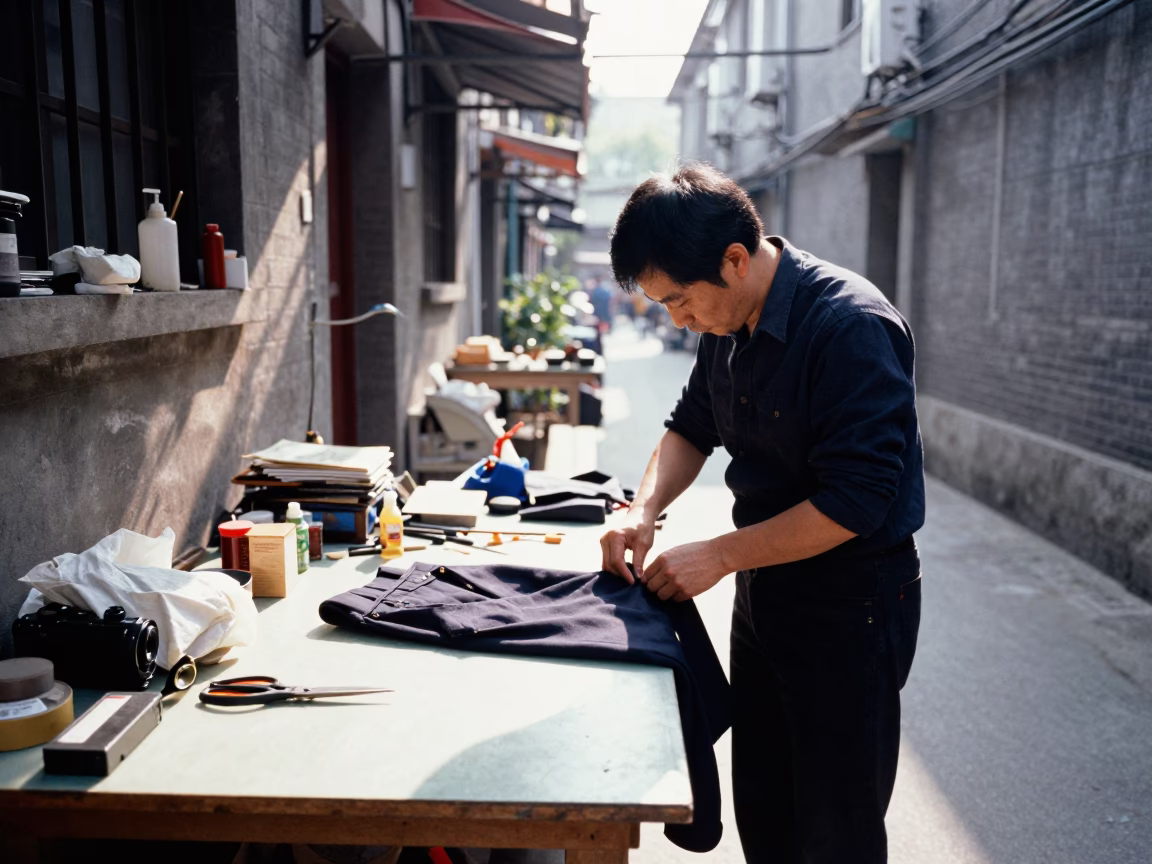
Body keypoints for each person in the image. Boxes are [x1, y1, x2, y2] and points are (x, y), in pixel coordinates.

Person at [599, 163, 924, 864]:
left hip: (852, 601)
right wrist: (643, 508)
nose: (677, 320)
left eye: (679, 301)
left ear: (735, 259)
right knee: (767, 808)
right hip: (766, 589)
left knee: (837, 827)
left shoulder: (850, 327)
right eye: (663, 306)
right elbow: (690, 426)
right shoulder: (726, 316)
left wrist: (718, 554)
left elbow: (855, 500)